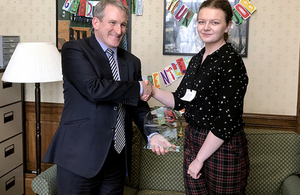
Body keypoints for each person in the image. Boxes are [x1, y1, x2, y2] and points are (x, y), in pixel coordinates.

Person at [43, 0, 172, 194]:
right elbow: (93, 88)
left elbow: (139, 105)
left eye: (122, 24)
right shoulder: (74, 50)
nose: (118, 30)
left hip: (116, 159)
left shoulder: (132, 61)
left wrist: (152, 134)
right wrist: (139, 86)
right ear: (96, 23)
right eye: (112, 23)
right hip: (79, 157)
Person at [143, 0, 250, 194]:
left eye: (214, 22)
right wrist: (152, 90)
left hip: (221, 145)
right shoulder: (196, 59)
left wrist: (199, 159)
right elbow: (181, 100)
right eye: (201, 22)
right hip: (194, 138)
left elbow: (226, 121)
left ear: (228, 26)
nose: (206, 27)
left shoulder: (231, 62)